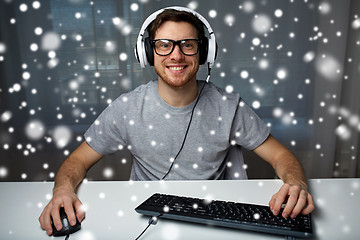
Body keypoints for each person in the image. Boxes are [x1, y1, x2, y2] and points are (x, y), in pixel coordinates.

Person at [39, 7, 315, 236]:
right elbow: (77, 160)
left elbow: (282, 156)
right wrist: (62, 191)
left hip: (211, 217)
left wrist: (296, 184)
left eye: (188, 45)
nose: (176, 55)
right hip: (145, 218)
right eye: (163, 45)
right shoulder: (127, 108)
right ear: (148, 53)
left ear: (204, 53)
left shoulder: (229, 107)